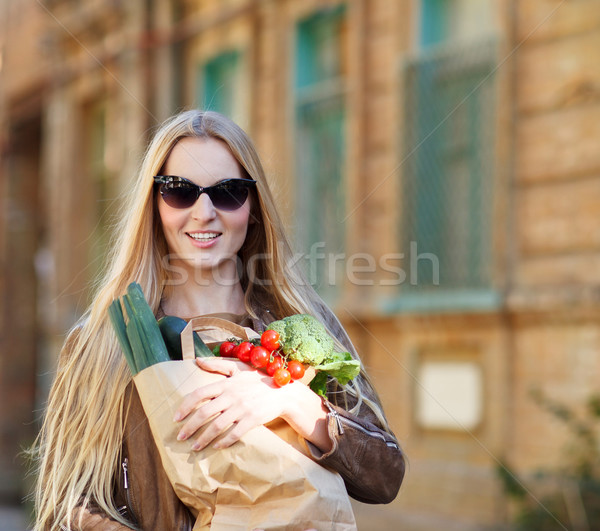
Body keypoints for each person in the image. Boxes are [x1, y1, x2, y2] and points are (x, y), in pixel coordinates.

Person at [32, 110, 406, 530]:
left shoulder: (301, 323)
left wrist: (295, 402)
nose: (204, 212)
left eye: (227, 192)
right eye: (179, 191)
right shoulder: (100, 342)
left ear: (253, 205)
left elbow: (386, 476)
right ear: (154, 204)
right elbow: (64, 508)